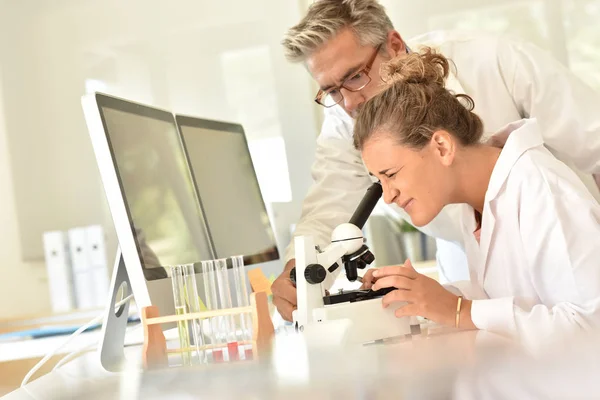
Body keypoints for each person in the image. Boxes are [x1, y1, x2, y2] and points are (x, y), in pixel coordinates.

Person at [272, 0, 600, 322]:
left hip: (566, 252)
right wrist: (298, 273)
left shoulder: (495, 62)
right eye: (331, 91)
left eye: (356, 77)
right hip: (476, 273)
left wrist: (461, 312)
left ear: (395, 45)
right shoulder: (347, 115)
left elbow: (595, 142)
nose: (349, 103)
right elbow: (329, 206)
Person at [355, 48, 600, 344]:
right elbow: (517, 300)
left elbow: (590, 327)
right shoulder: (474, 204)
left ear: (442, 147)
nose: (388, 196)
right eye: (379, 181)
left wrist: (458, 310)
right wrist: (422, 296)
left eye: (391, 174)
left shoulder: (540, 187)